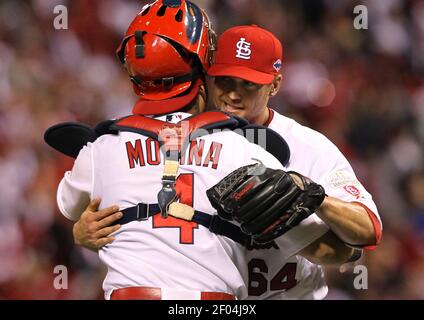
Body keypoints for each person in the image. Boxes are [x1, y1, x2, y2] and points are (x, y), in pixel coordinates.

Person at [70, 24, 381, 300]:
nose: (233, 95)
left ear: (274, 84)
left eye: (248, 84)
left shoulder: (307, 145)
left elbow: (367, 230)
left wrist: (316, 198)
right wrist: (84, 231)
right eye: (225, 81)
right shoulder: (177, 133)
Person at [54, 0, 304, 300]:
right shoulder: (248, 150)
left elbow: (70, 207)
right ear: (203, 64)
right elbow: (322, 244)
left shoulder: (102, 148)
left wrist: (82, 230)